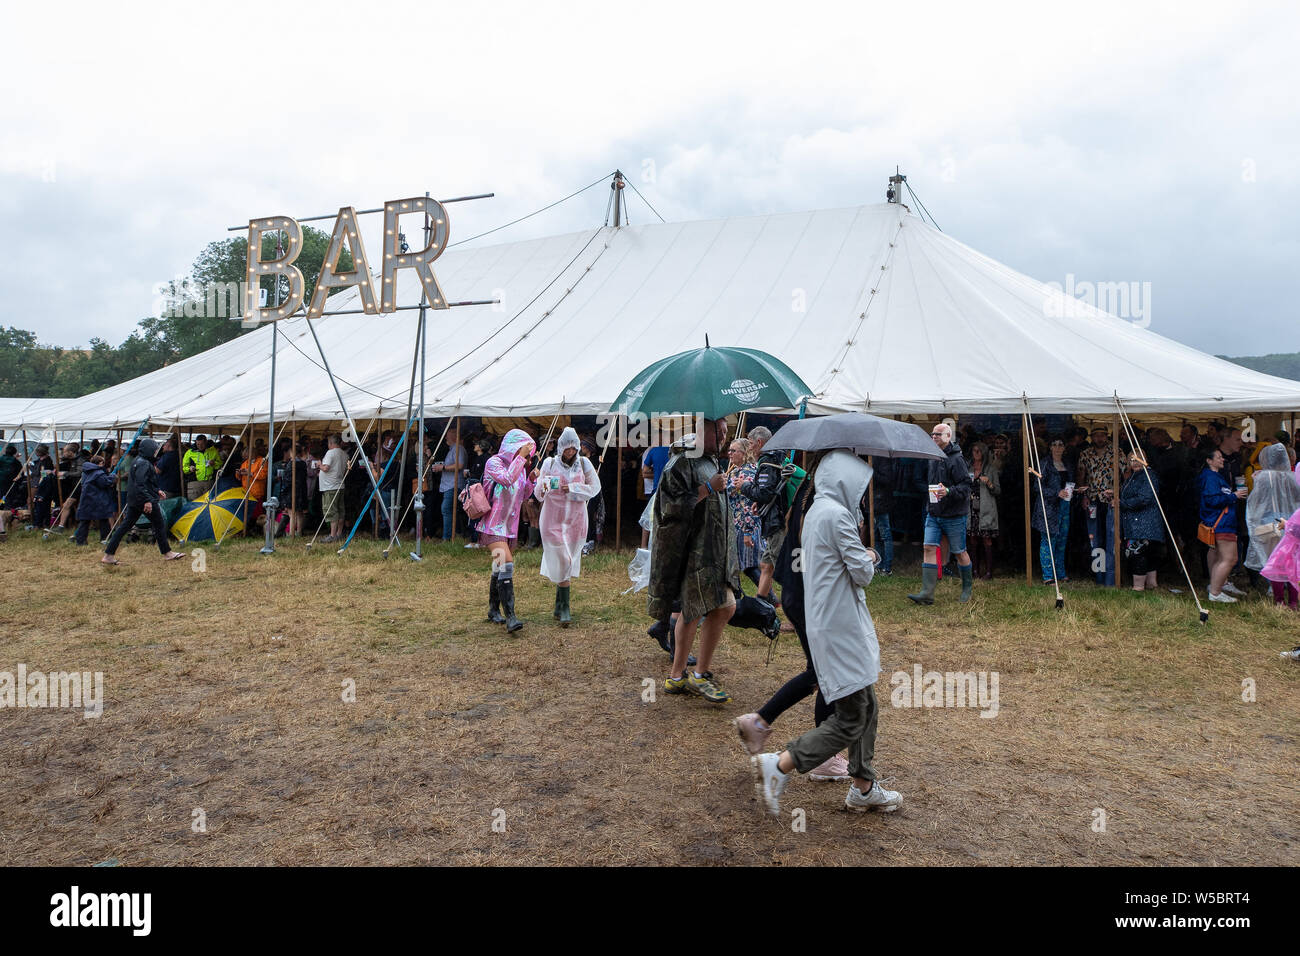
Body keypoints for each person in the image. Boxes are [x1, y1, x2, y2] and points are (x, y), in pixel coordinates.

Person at [750, 450, 902, 816]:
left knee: (868, 702)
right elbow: (862, 574)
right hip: (840, 626)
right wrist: (871, 556)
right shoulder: (837, 515)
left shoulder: (816, 510)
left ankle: (864, 787)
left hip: (831, 620)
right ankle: (782, 763)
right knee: (852, 716)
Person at [649, 420, 737, 704]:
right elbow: (668, 508)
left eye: (725, 433)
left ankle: (689, 674)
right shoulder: (680, 463)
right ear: (701, 431)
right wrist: (707, 490)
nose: (724, 438)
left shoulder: (711, 461)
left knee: (720, 607)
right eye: (718, 432)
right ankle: (684, 676)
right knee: (695, 610)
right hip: (691, 551)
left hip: (714, 550)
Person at [534, 427, 602, 626]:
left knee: (568, 560)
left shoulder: (584, 463)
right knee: (562, 559)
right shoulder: (549, 463)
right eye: (567, 449)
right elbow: (539, 493)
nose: (570, 452)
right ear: (561, 447)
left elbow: (595, 488)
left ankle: (558, 604)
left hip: (575, 520)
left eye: (574, 448)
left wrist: (572, 488)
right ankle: (565, 607)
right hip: (552, 519)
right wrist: (546, 483)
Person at [477, 429, 536, 633]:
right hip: (492, 526)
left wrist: (531, 480)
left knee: (499, 566)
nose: (527, 453)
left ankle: (493, 610)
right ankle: (511, 617)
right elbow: (506, 480)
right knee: (506, 564)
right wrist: (520, 460)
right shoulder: (494, 463)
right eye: (524, 448)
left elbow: (522, 494)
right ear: (513, 446)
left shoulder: (519, 466)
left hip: (510, 527)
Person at [908, 423, 974, 604]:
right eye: (932, 434)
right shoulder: (932, 456)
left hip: (954, 515)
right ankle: (927, 593)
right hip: (934, 513)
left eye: (938, 434)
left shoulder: (957, 459)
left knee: (959, 552)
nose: (934, 437)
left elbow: (966, 486)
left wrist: (949, 491)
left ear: (948, 436)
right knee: (928, 547)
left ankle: (967, 589)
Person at [100, 438, 185, 564]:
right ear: (149, 449)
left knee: (125, 526)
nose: (156, 452)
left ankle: (108, 555)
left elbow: (144, 482)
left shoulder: (138, 461)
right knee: (159, 524)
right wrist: (148, 500)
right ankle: (167, 553)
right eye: (155, 449)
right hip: (142, 499)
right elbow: (141, 484)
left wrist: (156, 491)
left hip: (135, 499)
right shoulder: (144, 463)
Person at [1246, 442, 1300, 606]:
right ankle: (1292, 601)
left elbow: (1257, 501)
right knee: (1293, 563)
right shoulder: (1292, 476)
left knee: (1275, 562)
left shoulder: (1262, 476)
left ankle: (1277, 597)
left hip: (1270, 524)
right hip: (1291, 524)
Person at [1200, 447, 1248, 603]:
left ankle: (1216, 587)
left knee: (1220, 557)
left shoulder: (1214, 476)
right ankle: (1215, 592)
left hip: (1220, 521)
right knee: (1230, 558)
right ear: (1209, 461)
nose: (1222, 459)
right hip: (1221, 522)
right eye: (1219, 457)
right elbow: (1212, 500)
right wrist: (1233, 496)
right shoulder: (1210, 478)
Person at [1119, 453, 1165, 592]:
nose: (1135, 462)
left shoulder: (1149, 475)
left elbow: (1144, 498)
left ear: (1145, 459)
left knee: (1138, 553)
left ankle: (1138, 587)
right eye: (1132, 459)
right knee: (1148, 554)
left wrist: (1122, 503)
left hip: (1145, 522)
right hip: (1138, 522)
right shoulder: (1133, 477)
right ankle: (1151, 585)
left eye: (1138, 458)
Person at [1077, 426, 1116, 586]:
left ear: (1107, 436)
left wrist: (1118, 493)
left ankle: (1111, 577)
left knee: (1111, 538)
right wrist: (1083, 495)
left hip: (1110, 500)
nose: (1099, 439)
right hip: (1092, 499)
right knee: (1095, 538)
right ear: (1091, 437)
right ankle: (1099, 576)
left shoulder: (1116, 452)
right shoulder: (1085, 453)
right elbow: (1080, 475)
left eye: (1102, 436)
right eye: (1096, 436)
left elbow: (1125, 474)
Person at [1030, 437, 1072, 584]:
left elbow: (1067, 483)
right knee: (1048, 540)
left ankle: (1060, 572)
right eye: (1054, 444)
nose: (1058, 447)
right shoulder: (1045, 464)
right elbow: (1037, 487)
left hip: (1064, 506)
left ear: (1064, 447)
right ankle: (1048, 575)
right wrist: (1056, 493)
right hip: (1048, 507)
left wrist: (1074, 490)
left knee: (1061, 541)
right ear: (1050, 447)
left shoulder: (1066, 463)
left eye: (1061, 444)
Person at [724, 437, 763, 584]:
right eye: (729, 450)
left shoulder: (745, 473)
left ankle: (768, 600)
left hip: (745, 526)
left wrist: (748, 532)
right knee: (741, 565)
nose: (729, 453)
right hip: (740, 525)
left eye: (733, 450)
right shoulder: (739, 470)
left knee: (748, 566)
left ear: (744, 453)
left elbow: (749, 504)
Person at [967, 441, 1001, 580]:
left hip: (986, 509)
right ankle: (974, 570)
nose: (976, 453)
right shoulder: (968, 468)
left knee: (987, 540)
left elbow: (998, 491)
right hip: (971, 508)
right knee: (973, 540)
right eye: (974, 450)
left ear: (984, 453)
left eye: (979, 451)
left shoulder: (991, 469)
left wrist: (989, 483)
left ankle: (988, 572)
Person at [1261, 505, 1300, 612]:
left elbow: (1297, 531)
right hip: (1293, 548)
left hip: (1291, 549)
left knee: (1277, 570)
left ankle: (1282, 602)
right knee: (1294, 573)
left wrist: (1285, 524)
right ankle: (1292, 603)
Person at [433, 426, 468, 541]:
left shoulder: (458, 448)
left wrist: (443, 467)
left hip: (454, 485)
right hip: (449, 484)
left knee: (446, 509)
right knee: (452, 510)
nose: (445, 437)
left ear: (454, 436)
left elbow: (459, 465)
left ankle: (447, 537)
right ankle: (456, 534)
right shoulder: (452, 449)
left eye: (447, 434)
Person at [72, 455, 117, 546]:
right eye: (103, 463)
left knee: (85, 521)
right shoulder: (98, 473)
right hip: (98, 499)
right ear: (100, 463)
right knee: (104, 520)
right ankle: (105, 539)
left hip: (86, 499)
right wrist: (112, 477)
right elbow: (104, 483)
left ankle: (80, 541)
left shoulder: (86, 472)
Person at [317, 434, 348, 542]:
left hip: (330, 486)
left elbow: (326, 468)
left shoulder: (330, 453)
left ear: (331, 443)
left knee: (331, 510)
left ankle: (332, 535)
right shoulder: (344, 454)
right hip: (339, 484)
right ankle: (339, 533)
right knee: (340, 510)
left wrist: (319, 465)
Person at [182, 435, 220, 500]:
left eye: (202, 444)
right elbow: (184, 468)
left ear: (206, 442)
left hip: (209, 482)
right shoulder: (190, 452)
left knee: (208, 504)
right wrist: (189, 469)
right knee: (194, 504)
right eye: (198, 444)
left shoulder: (213, 451)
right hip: (194, 483)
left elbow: (220, 464)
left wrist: (214, 463)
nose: (200, 446)